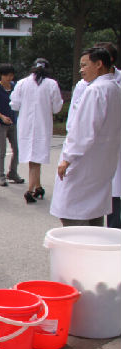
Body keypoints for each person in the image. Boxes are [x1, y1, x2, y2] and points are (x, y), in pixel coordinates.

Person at [49, 47, 121, 227]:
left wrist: (67, 158)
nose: (81, 70)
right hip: (103, 162)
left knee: (73, 212)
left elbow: (84, 130)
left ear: (99, 64)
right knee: (94, 210)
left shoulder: (95, 90)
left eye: (84, 65)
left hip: (84, 162)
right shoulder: (114, 88)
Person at [10, 58, 63, 204]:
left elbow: (14, 104)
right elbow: (57, 107)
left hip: (26, 125)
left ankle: (37, 186)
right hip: (42, 125)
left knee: (33, 158)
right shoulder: (51, 84)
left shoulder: (22, 83)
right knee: (36, 158)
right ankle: (30, 190)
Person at [0, 64, 25, 187]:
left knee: (17, 149)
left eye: (11, 75)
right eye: (7, 75)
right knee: (1, 151)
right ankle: (1, 176)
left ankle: (13, 172)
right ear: (1, 75)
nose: (9, 78)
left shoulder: (14, 86)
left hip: (13, 122)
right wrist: (2, 117)